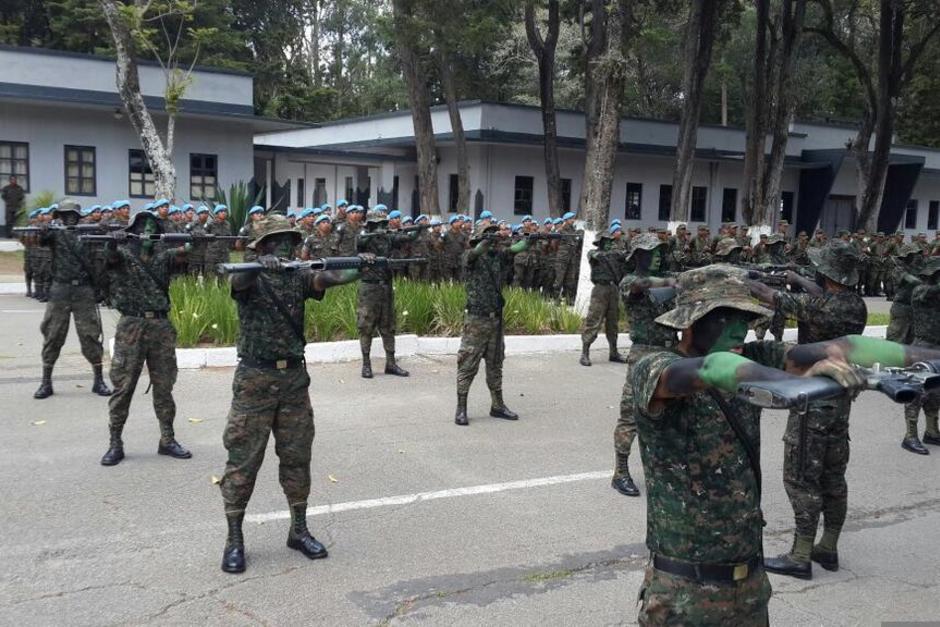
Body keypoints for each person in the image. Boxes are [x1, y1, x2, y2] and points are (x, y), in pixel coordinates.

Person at [631, 263, 940, 626]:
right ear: (688, 322)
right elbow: (713, 368)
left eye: (744, 317)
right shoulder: (654, 367)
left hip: (748, 585)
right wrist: (792, 381)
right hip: (684, 594)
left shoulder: (754, 356)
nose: (739, 328)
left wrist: (928, 360)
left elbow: (846, 346)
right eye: (724, 317)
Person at [218, 214, 366, 574]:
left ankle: (298, 529)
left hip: (294, 381)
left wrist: (361, 265)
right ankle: (234, 538)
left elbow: (330, 277)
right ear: (263, 246)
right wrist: (258, 265)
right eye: (277, 240)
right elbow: (239, 281)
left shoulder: (297, 276)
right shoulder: (248, 275)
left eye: (289, 240)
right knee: (243, 461)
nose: (286, 246)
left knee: (297, 457)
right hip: (255, 379)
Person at [749, 241, 867, 579]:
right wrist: (796, 277)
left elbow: (770, 298)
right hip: (840, 399)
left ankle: (800, 556)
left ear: (828, 274)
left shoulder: (824, 308)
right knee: (833, 476)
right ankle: (827, 547)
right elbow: (817, 294)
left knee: (801, 476)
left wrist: (748, 281)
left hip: (813, 399)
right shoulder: (854, 304)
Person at [99, 211, 192, 466]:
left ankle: (167, 439)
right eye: (143, 227)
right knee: (123, 386)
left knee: (164, 387)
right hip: (132, 325)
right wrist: (113, 241)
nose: (148, 231)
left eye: (153, 227)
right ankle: (115, 442)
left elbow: (186, 251)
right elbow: (110, 257)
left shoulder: (164, 258)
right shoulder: (124, 256)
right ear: (134, 232)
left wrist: (191, 237)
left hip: (160, 326)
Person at [614, 233, 677, 497]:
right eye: (652, 252)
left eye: (661, 251)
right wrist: (671, 281)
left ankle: (666, 470)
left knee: (671, 413)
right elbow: (640, 285)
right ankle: (620, 472)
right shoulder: (630, 281)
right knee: (632, 414)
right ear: (638, 255)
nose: (659, 256)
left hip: (671, 351)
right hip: (643, 354)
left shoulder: (671, 278)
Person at [33, 200, 112, 400]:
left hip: (83, 290)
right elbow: (41, 240)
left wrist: (104, 229)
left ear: (78, 216)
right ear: (60, 216)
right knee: (53, 334)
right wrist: (42, 229)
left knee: (90, 335)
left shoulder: (88, 233)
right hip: (60, 289)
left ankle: (98, 380)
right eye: (65, 214)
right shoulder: (54, 233)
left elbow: (108, 248)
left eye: (73, 215)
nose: (69, 218)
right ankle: (46, 382)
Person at [454, 223, 528, 426]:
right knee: (468, 363)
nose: (494, 238)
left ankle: (497, 405)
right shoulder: (470, 256)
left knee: (496, 364)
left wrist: (529, 240)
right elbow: (475, 252)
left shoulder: (498, 256)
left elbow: (516, 249)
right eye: (489, 235)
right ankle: (461, 408)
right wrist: (486, 241)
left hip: (495, 319)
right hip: (477, 320)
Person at [356, 207, 415, 378]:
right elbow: (358, 243)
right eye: (378, 224)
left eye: (383, 223)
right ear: (372, 225)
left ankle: (391, 363)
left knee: (389, 326)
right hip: (369, 287)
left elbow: (407, 238)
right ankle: (366, 364)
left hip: (386, 286)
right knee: (366, 326)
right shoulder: (364, 237)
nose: (382, 227)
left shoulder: (388, 238)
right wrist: (371, 239)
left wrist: (416, 230)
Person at [902, 257, 940, 454]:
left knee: (936, 392)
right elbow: (932, 292)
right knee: (917, 393)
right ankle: (910, 436)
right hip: (922, 348)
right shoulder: (922, 291)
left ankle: (932, 431)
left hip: (937, 347)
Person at [580, 227, 628, 366]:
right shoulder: (594, 253)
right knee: (594, 320)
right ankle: (585, 353)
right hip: (600, 289)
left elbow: (625, 258)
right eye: (605, 241)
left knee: (613, 323)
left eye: (610, 241)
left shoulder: (615, 255)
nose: (609, 243)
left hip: (613, 289)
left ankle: (614, 352)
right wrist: (610, 254)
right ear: (600, 242)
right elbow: (594, 256)